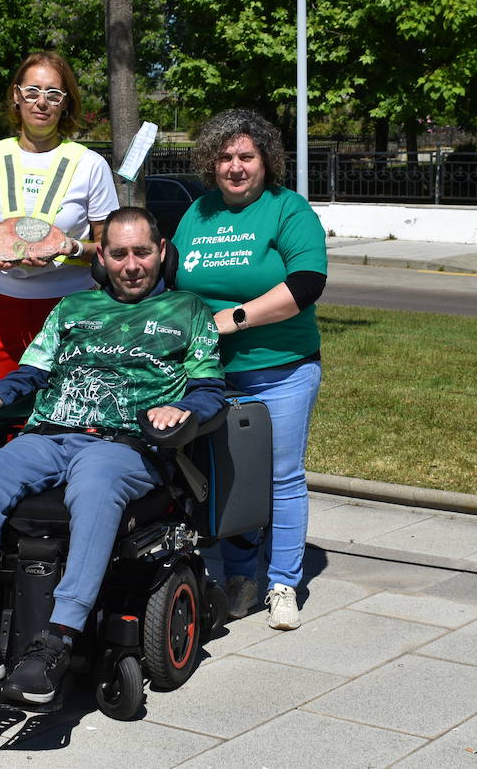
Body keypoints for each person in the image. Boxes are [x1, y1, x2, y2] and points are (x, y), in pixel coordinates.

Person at [0, 207, 225, 705]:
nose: (132, 265)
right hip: (50, 436)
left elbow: (211, 388)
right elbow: (33, 373)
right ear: (101, 257)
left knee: (95, 479)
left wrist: (183, 408)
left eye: (142, 252)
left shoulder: (189, 310)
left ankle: (59, 638)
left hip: (126, 444)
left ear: (162, 252)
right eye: (119, 253)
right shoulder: (70, 308)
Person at [172, 109, 328, 631]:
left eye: (246, 156)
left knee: (281, 477)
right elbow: (172, 280)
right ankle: (241, 575)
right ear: (210, 163)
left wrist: (229, 321)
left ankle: (283, 580)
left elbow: (306, 284)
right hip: (213, 373)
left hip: (281, 369)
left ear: (266, 161)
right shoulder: (197, 214)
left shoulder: (288, 210)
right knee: (228, 476)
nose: (235, 167)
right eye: (225, 157)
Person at [0, 51, 119, 387]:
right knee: (1, 409)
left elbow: (111, 247)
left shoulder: (90, 165)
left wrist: (72, 247)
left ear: (66, 103)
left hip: (69, 307)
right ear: (17, 96)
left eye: (53, 94)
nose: (41, 102)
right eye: (32, 91)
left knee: (64, 413)